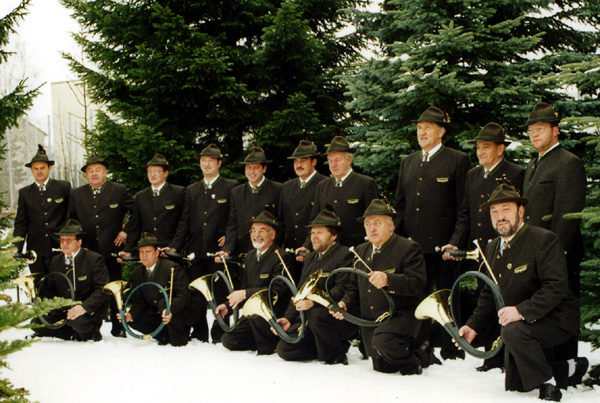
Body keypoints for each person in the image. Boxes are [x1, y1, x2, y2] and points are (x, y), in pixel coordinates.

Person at [458, 183, 588, 401]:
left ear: (521, 211)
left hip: (556, 318)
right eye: (494, 211)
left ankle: (549, 386)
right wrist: (473, 326)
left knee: (512, 332)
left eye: (506, 209)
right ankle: (571, 367)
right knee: (517, 384)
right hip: (523, 324)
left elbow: (555, 287)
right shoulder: (492, 247)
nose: (500, 216)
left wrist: (520, 311)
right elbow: (490, 294)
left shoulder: (543, 239)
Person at [442, 122, 525, 371]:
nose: (480, 152)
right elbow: (466, 214)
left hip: (508, 248)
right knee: (485, 298)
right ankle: (492, 355)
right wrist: (456, 242)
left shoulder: (516, 173)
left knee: (507, 298)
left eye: (486, 147)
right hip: (481, 252)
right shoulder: (473, 175)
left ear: (500, 149)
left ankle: (509, 356)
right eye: (478, 147)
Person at [394, 106, 472, 360]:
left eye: (428, 128)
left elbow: (464, 207)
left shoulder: (457, 160)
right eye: (419, 128)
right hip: (415, 247)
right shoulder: (408, 162)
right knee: (418, 295)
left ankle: (453, 348)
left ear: (441, 131)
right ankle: (420, 344)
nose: (422, 132)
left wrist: (455, 242)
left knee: (448, 295)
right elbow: (401, 206)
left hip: (444, 248)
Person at [333, 199, 430, 375]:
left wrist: (388, 280)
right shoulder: (360, 251)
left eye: (377, 223)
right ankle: (417, 352)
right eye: (368, 224)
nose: (372, 228)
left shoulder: (408, 247)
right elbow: (354, 287)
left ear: (391, 226)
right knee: (383, 367)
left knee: (384, 342)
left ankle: (413, 365)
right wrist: (345, 303)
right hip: (373, 323)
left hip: (401, 316)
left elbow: (418, 283)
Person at [523, 102, 586, 362]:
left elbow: (567, 215)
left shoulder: (568, 162)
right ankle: (547, 363)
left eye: (541, 129)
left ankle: (568, 366)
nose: (534, 134)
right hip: (537, 251)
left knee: (561, 310)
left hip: (558, 252)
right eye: (531, 130)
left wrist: (556, 252)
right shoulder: (533, 164)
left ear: (556, 131)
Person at [167, 143, 239, 343]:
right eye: (203, 161)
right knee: (196, 293)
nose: (207, 164)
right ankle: (199, 333)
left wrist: (228, 240)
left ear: (219, 163)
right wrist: (175, 246)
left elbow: (234, 218)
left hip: (219, 252)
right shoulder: (191, 190)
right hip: (196, 250)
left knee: (221, 292)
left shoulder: (231, 187)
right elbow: (185, 221)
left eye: (211, 161)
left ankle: (220, 332)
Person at [275, 206, 356, 365]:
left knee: (316, 314)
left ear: (333, 235)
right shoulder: (311, 258)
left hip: (335, 317)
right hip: (310, 319)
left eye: (319, 232)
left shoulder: (345, 254)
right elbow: (300, 292)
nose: (314, 237)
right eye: (312, 233)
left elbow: (341, 289)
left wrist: (313, 302)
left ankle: (335, 355)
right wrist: (288, 318)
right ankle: (324, 347)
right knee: (284, 349)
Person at [67, 155, 135, 337]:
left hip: (112, 250)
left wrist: (126, 231)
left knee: (114, 289)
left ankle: (118, 327)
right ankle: (91, 327)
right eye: (90, 171)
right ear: (86, 174)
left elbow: (137, 211)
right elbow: (71, 221)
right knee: (90, 290)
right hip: (87, 252)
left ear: (106, 172)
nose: (94, 174)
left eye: (98, 170)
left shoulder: (118, 190)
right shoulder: (76, 194)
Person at [219, 210, 293, 355]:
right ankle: (263, 340)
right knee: (229, 340)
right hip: (254, 315)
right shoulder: (250, 256)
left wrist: (246, 294)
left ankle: (269, 343)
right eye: (253, 230)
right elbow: (245, 289)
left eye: (261, 230)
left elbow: (278, 290)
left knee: (263, 343)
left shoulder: (281, 256)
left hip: (273, 313)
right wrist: (228, 306)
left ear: (272, 234)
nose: (256, 234)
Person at [33, 219, 109, 341]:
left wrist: (83, 307)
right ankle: (70, 333)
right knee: (36, 322)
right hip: (64, 311)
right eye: (62, 240)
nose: (64, 244)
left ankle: (89, 332)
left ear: (79, 242)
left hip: (86, 311)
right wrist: (53, 305)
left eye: (69, 240)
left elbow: (102, 289)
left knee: (78, 322)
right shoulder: (56, 261)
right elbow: (51, 288)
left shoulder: (94, 259)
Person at [118, 233, 198, 346]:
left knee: (163, 303)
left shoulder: (172, 268)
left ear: (156, 253)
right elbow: (140, 301)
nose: (144, 255)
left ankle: (179, 338)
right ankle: (163, 335)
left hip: (177, 310)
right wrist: (130, 315)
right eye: (141, 252)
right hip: (157, 311)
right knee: (135, 320)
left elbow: (184, 295)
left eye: (148, 252)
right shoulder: (138, 272)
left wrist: (170, 309)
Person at [308, 135, 378, 248]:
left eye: (337, 160)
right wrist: (307, 245)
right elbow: (314, 221)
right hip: (329, 251)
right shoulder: (322, 186)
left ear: (349, 159)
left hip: (357, 249)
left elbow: (374, 219)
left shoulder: (365, 184)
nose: (333, 165)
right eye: (330, 161)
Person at [13, 145, 71, 275]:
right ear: (31, 170)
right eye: (35, 169)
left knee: (61, 285)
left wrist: (68, 240)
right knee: (39, 286)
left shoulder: (63, 188)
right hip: (36, 250)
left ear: (49, 168)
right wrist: (16, 247)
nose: (39, 171)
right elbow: (21, 223)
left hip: (59, 247)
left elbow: (70, 215)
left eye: (42, 168)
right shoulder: (25, 193)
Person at [220, 144, 282, 257]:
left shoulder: (278, 189)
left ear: (264, 169)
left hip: (269, 251)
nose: (252, 172)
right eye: (249, 167)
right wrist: (227, 249)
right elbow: (232, 223)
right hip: (242, 250)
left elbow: (282, 220)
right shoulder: (236, 192)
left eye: (256, 167)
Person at [123, 153, 185, 252]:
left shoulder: (178, 193)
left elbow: (184, 223)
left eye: (156, 171)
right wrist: (127, 249)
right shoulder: (141, 196)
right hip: (148, 251)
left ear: (166, 173)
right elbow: (135, 226)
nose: (152, 175)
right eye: (149, 171)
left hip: (170, 249)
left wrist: (175, 246)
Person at [278, 139, 326, 258]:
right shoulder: (287, 187)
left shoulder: (325, 184)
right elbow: (281, 221)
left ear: (313, 162)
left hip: (315, 252)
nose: (298, 165)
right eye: (295, 161)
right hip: (290, 253)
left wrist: (308, 246)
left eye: (303, 161)